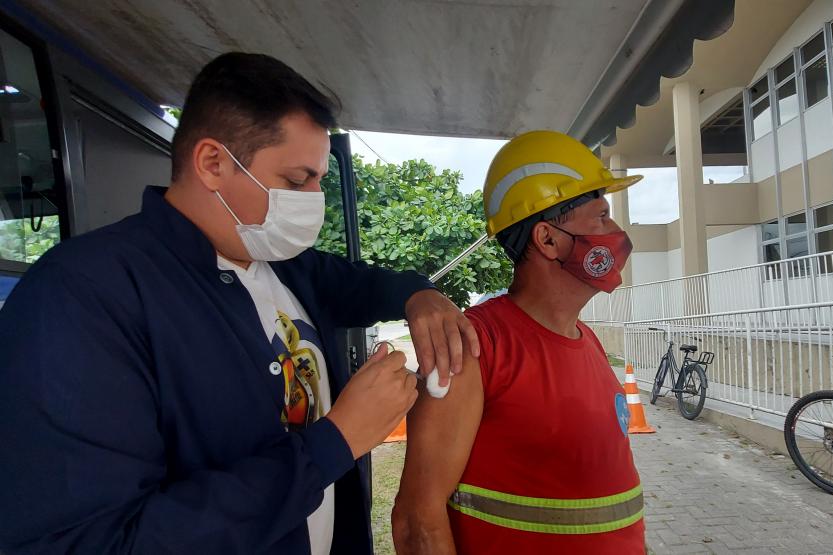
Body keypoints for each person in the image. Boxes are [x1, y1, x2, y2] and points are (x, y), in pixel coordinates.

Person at [0, 52, 479, 554]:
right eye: (296, 181)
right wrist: (336, 441)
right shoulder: (85, 295)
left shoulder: (282, 264)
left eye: (319, 180)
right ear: (213, 163)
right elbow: (96, 541)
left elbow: (364, 285)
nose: (314, 200)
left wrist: (419, 295)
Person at [392, 130, 645, 554]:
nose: (616, 232)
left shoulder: (590, 342)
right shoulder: (474, 347)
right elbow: (416, 521)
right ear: (547, 239)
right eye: (601, 217)